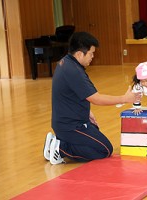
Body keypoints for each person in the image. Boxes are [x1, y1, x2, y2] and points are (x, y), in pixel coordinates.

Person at [43, 32, 140, 165]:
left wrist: (86, 112)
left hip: (69, 121)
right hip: (70, 126)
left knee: (95, 134)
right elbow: (96, 98)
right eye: (91, 53)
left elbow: (72, 94)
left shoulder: (67, 62)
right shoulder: (74, 71)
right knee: (104, 149)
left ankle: (58, 142)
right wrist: (124, 98)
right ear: (79, 54)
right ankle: (61, 148)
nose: (93, 57)